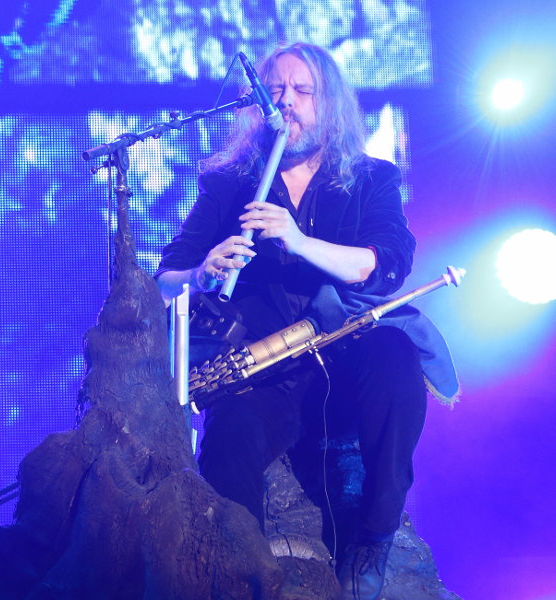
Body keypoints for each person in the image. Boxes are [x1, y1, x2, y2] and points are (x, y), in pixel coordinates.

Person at [156, 42, 457, 600]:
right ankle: (241, 575)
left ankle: (373, 540)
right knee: (229, 434)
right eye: (275, 92)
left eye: (302, 92)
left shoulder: (370, 178)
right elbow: (162, 281)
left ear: (331, 103)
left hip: (347, 358)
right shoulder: (231, 185)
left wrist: (298, 241)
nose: (287, 103)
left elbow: (385, 262)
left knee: (396, 363)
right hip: (265, 369)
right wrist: (200, 272)